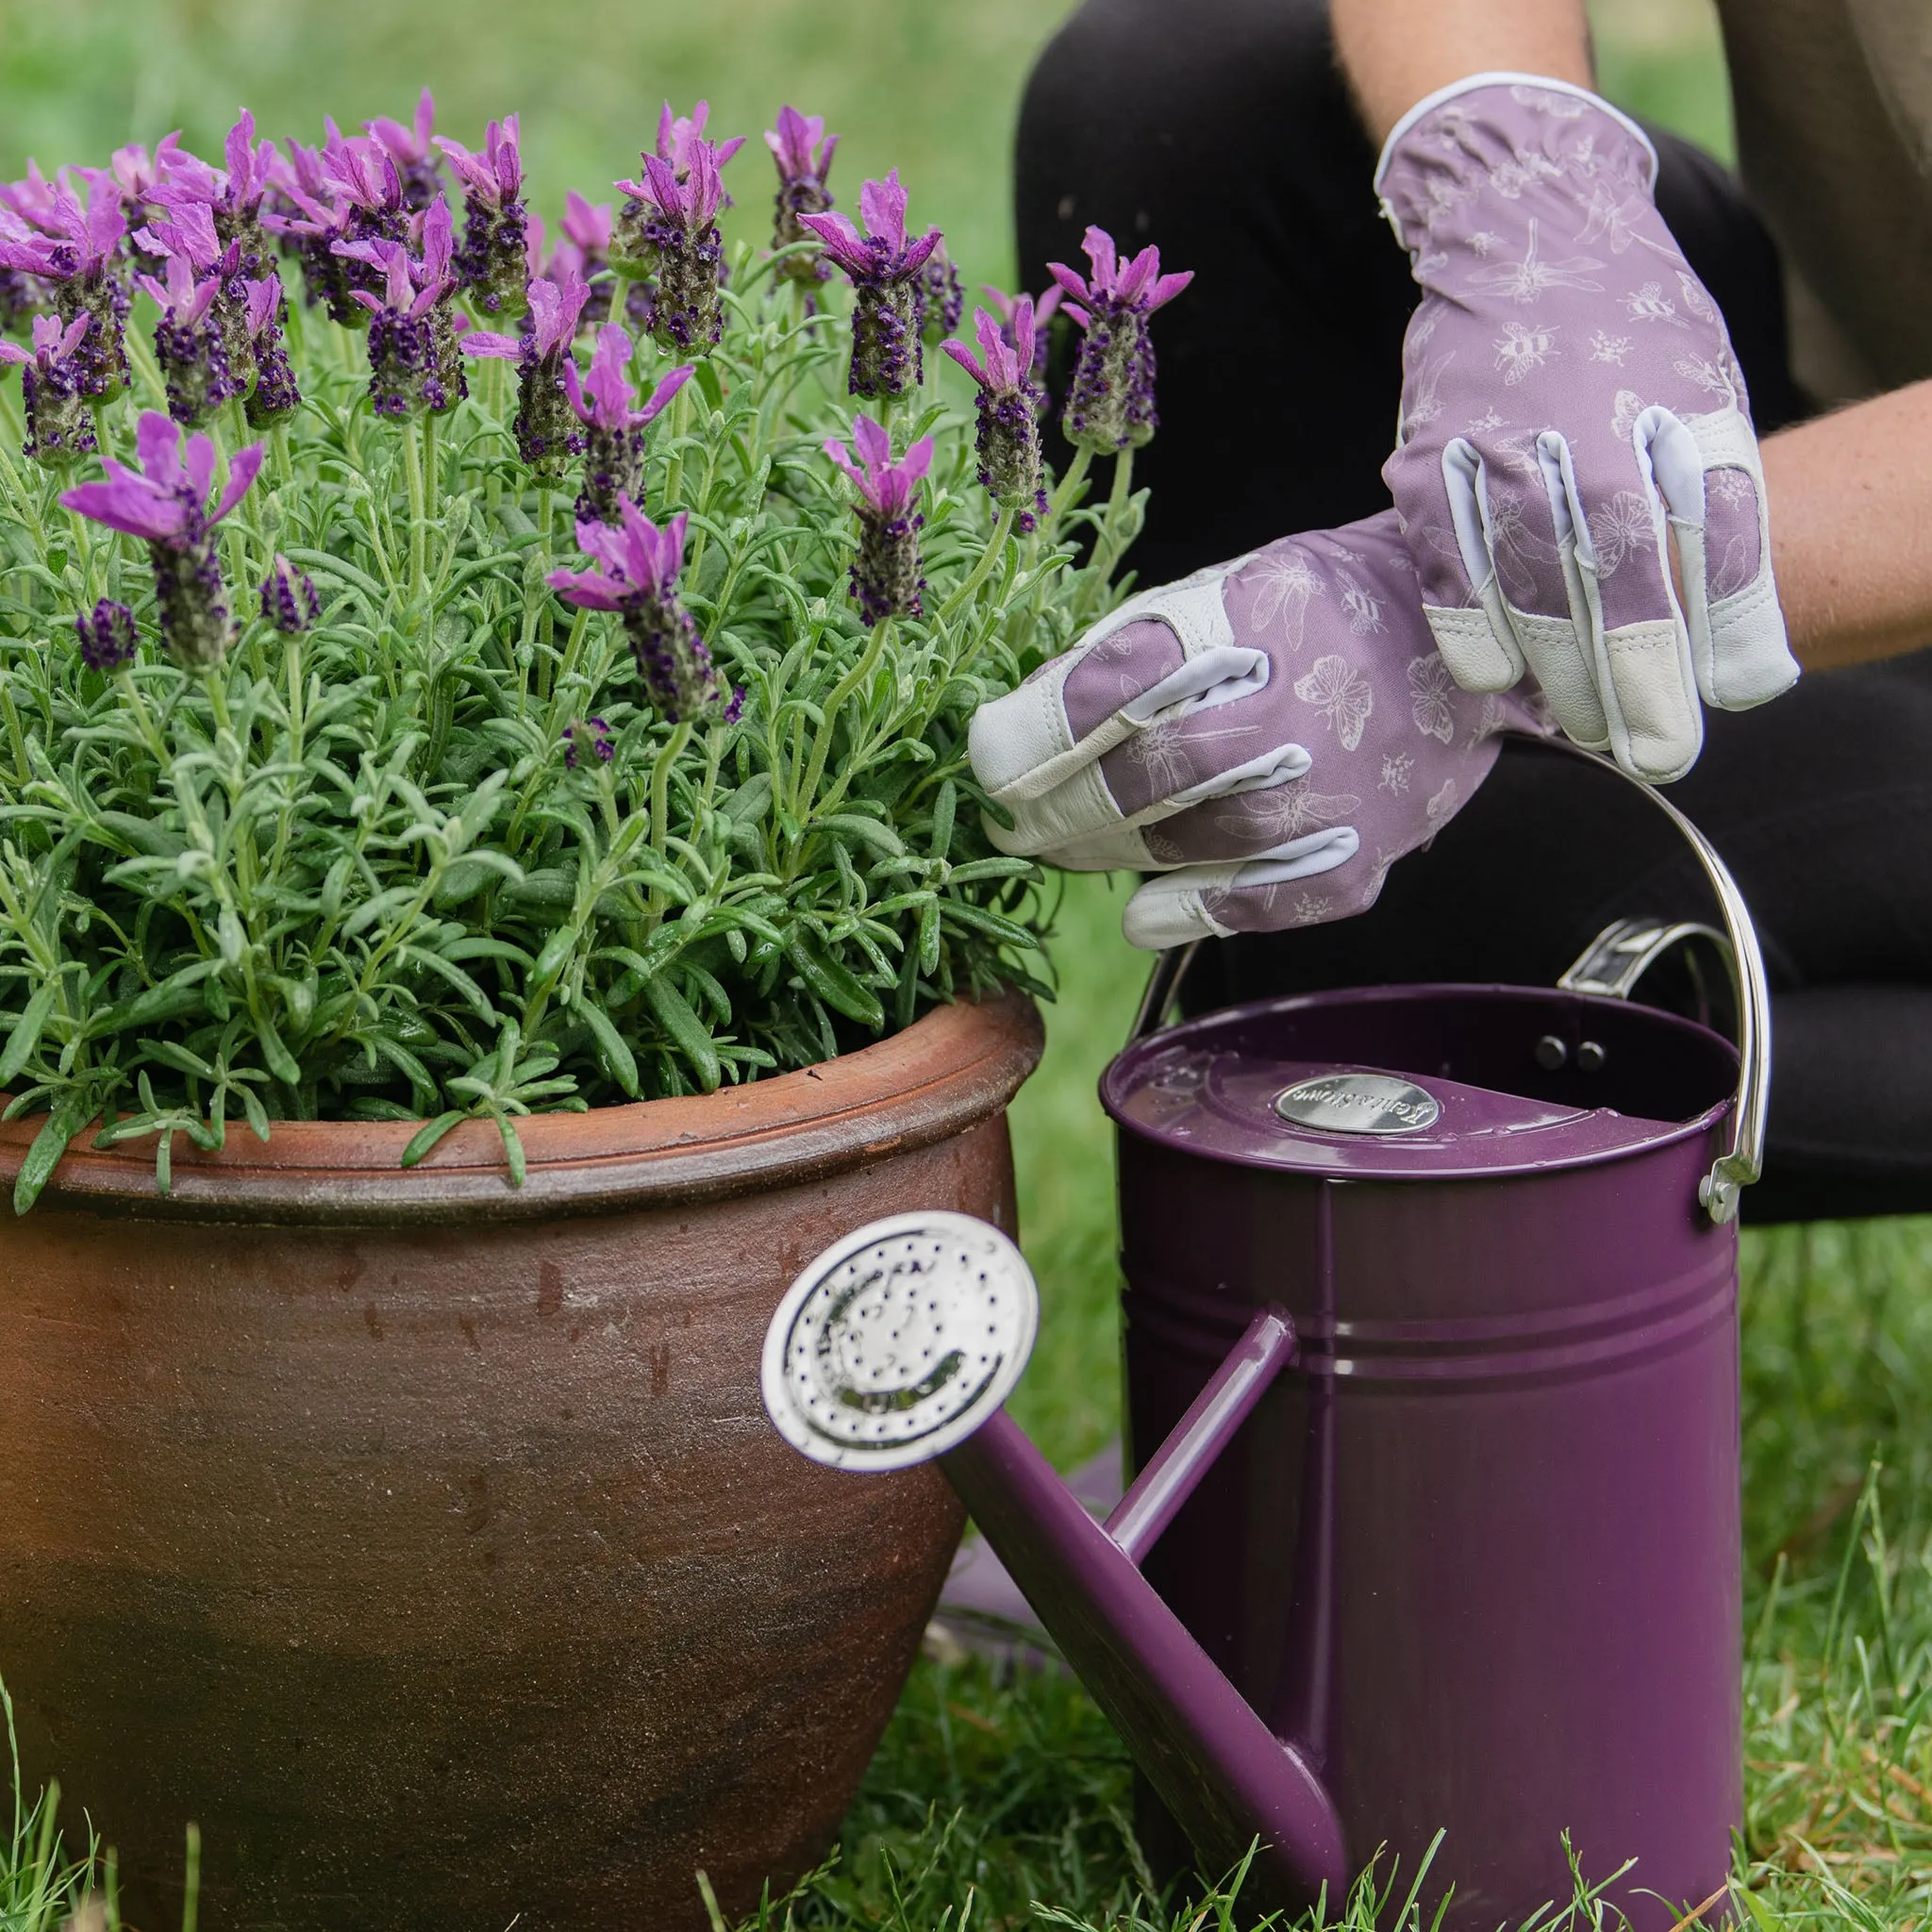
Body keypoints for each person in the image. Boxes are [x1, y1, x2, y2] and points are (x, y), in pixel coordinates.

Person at [969, 0, 1932, 1217]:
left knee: (1496, 945)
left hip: (1850, 584)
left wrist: (1507, 598)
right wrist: (1517, 179)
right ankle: (1317, 1139)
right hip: (1846, 425)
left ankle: (1442, 1098)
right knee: (1185, 97)